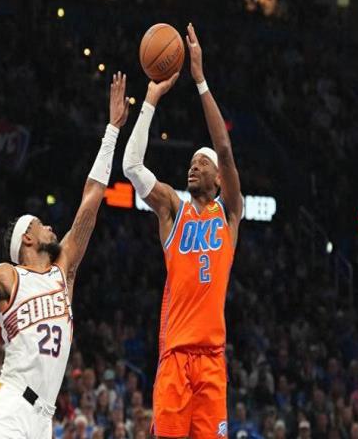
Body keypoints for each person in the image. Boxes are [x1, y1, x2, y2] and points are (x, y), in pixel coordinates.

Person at [0, 72, 130, 439]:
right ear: (27, 238)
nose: (51, 228)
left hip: (44, 419)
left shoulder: (63, 271)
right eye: (42, 225)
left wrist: (112, 131)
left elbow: (91, 199)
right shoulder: (7, 276)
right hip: (11, 406)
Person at [123, 23, 242, 438]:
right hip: (175, 357)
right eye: (191, 162)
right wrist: (150, 99)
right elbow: (131, 167)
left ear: (219, 178)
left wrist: (200, 80)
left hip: (212, 360)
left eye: (202, 163)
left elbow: (224, 148)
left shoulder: (229, 213)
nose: (194, 166)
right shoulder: (173, 210)